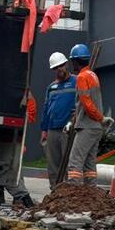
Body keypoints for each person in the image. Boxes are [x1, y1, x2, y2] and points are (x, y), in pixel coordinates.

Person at [66, 43, 113, 185]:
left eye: (72, 61)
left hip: (87, 125)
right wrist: (101, 120)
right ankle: (91, 190)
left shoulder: (81, 77)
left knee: (75, 160)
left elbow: (87, 103)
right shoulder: (93, 75)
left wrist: (100, 117)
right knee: (89, 163)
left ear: (76, 61)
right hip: (96, 127)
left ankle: (73, 188)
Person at [0, 90, 36, 207]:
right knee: (10, 167)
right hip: (5, 133)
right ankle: (4, 194)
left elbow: (30, 115)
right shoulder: (22, 91)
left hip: (9, 134)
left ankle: (20, 198)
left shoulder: (23, 93)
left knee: (10, 168)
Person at [41, 51, 77, 189]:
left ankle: (69, 192)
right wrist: (44, 130)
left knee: (68, 162)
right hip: (51, 130)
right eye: (55, 67)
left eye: (61, 65)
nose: (59, 69)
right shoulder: (51, 88)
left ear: (66, 64)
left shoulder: (77, 81)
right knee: (53, 164)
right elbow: (45, 110)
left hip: (68, 130)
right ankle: (55, 191)